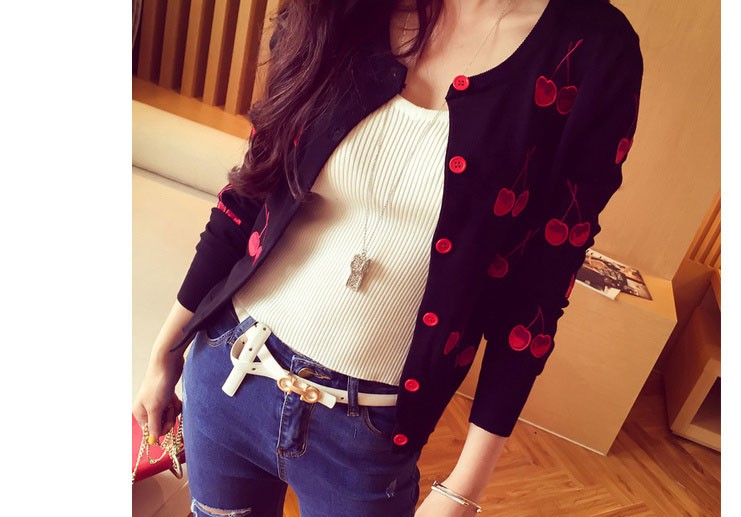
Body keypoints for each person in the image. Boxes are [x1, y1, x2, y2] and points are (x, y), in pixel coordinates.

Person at [133, 0, 644, 515]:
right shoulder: (341, 10)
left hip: (369, 439)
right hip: (229, 372)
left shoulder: (594, 53)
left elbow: (537, 294)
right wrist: (166, 351)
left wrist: (466, 487)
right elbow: (248, 193)